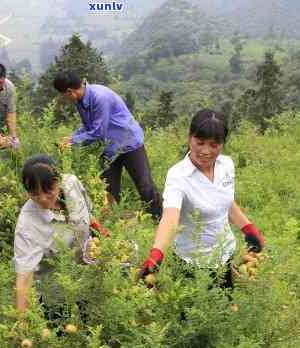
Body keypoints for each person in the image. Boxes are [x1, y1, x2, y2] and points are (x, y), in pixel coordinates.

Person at [138, 109, 265, 290]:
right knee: (189, 315)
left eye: (214, 145)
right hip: (191, 262)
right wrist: (157, 253)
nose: (205, 151)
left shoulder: (226, 165)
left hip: (224, 254)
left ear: (223, 144)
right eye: (200, 142)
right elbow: (170, 218)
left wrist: (248, 228)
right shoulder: (178, 176)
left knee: (223, 309)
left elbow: (225, 201)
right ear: (190, 138)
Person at [53, 71, 162, 219]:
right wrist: (72, 137)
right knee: (108, 187)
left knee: (145, 185)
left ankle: (159, 219)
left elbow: (98, 132)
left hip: (129, 142)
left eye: (63, 96)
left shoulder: (100, 97)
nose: (64, 99)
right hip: (110, 147)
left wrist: (73, 141)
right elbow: (88, 126)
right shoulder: (81, 101)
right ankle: (113, 221)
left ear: (69, 92)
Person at [13, 154, 107, 314]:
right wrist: (21, 321)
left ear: (59, 182)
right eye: (34, 193)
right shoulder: (28, 223)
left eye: (48, 190)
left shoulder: (72, 184)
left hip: (90, 277)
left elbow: (88, 213)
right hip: (57, 293)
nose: (42, 198)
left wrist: (101, 233)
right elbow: (24, 275)